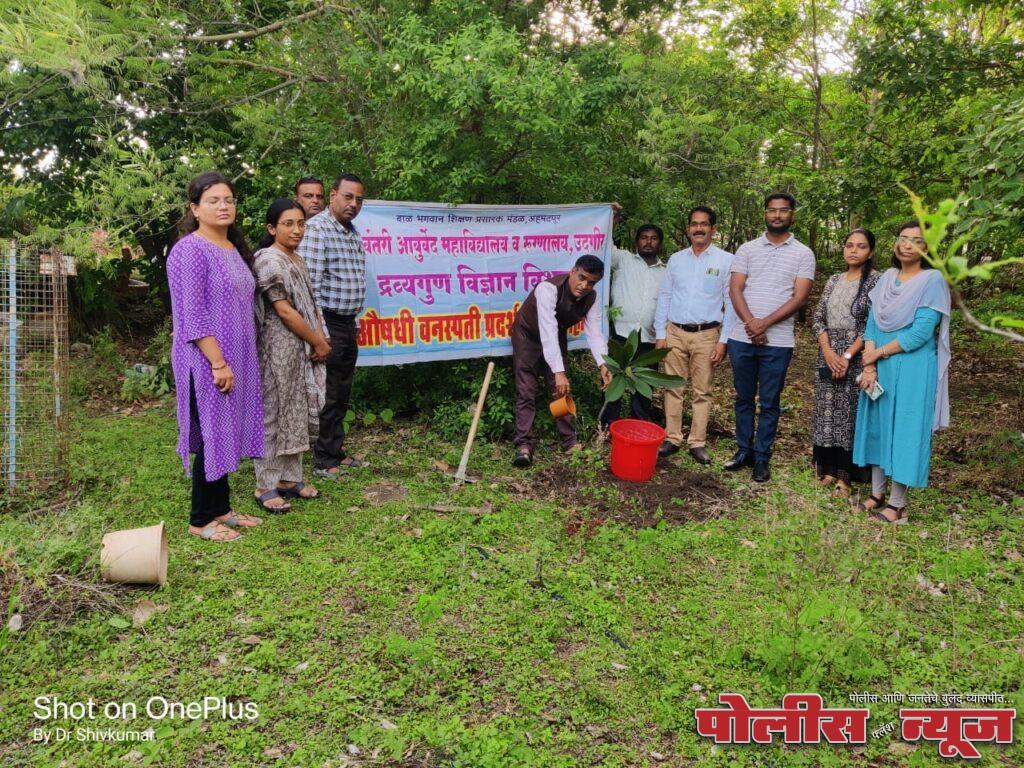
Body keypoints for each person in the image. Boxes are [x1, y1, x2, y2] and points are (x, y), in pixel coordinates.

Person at [166, 171, 264, 542]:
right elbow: (193, 313)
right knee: (212, 433)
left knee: (226, 430)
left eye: (229, 200)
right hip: (206, 358)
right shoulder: (189, 250)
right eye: (213, 201)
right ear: (195, 208)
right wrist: (218, 362)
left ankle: (221, 509)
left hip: (237, 356)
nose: (223, 206)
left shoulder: (232, 248)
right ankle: (200, 519)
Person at [853, 221, 951, 523]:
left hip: (912, 367)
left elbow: (919, 333)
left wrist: (878, 353)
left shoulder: (932, 280)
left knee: (905, 429)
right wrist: (869, 364)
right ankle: (876, 493)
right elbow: (871, 324)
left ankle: (898, 504)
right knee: (878, 427)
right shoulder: (887, 278)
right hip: (879, 364)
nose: (907, 245)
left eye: (916, 240)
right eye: (903, 239)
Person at [725, 192, 815, 482]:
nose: (777, 215)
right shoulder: (747, 249)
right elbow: (735, 289)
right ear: (764, 213)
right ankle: (743, 451)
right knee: (743, 397)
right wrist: (752, 323)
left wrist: (764, 325)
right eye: (772, 210)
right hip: (742, 337)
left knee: (770, 401)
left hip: (778, 342)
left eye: (783, 211)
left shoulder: (803, 253)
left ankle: (762, 457)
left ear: (792, 215)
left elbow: (800, 297)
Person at [252, 199, 330, 512]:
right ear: (272, 228)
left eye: (300, 223)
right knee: (274, 412)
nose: (296, 230)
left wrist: (318, 336)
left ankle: (289, 478)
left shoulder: (295, 259)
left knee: (295, 409)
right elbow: (284, 311)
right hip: (277, 350)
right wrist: (319, 342)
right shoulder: (269, 260)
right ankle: (265, 485)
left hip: (299, 349)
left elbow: (310, 305)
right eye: (288, 224)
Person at [297, 173, 368, 480]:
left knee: (341, 391)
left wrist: (354, 320)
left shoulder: (351, 232)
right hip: (327, 322)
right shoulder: (317, 230)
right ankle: (324, 460)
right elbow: (309, 288)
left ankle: (335, 451)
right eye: (348, 197)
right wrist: (320, 333)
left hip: (346, 323)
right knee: (328, 393)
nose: (353, 204)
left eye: (359, 200)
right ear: (333, 196)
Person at [510, 255, 612, 466]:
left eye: (591, 282)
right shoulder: (548, 289)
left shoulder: (591, 298)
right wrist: (559, 372)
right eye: (582, 277)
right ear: (572, 271)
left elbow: (594, 334)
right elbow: (547, 329)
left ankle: (569, 442)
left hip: (556, 336)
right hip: (527, 336)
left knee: (561, 391)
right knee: (526, 390)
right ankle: (524, 444)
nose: (584, 285)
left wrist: (603, 364)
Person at [654, 206, 736, 465]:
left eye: (704, 224)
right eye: (694, 224)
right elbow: (665, 295)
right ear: (688, 229)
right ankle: (673, 437)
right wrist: (660, 333)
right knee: (673, 387)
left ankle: (697, 442)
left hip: (707, 333)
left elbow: (730, 302)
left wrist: (723, 341)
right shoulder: (676, 260)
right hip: (674, 332)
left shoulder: (725, 260)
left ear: (713, 229)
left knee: (703, 390)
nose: (698, 228)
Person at [810, 229, 881, 496]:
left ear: (870, 251)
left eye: (861, 246)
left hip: (858, 353)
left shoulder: (876, 281)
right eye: (849, 245)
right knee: (826, 414)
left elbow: (872, 323)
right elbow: (818, 318)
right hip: (828, 353)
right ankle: (826, 469)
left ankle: (846, 476)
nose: (854, 250)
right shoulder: (833, 280)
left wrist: (848, 356)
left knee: (849, 414)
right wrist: (828, 351)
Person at [602, 214, 666, 425]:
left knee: (644, 384)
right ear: (636, 241)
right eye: (644, 237)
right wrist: (611, 219)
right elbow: (604, 245)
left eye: (653, 238)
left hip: (650, 336)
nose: (648, 241)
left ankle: (638, 425)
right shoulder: (623, 260)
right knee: (614, 380)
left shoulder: (666, 272)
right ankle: (609, 425)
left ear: (660, 243)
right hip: (621, 333)